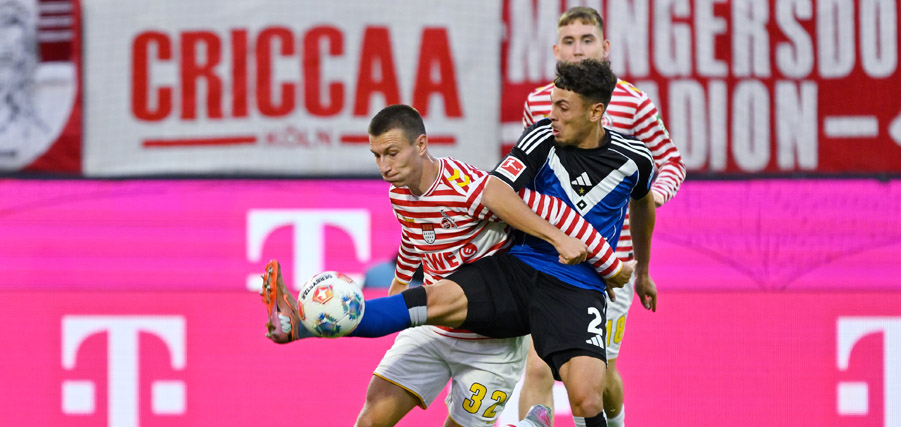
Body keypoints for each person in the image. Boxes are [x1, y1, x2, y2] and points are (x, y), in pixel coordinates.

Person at [264, 59, 654, 427]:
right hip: (499, 282)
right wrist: (399, 285)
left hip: (559, 295)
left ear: (596, 111)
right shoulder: (536, 139)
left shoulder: (634, 160)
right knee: (376, 407)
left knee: (588, 398)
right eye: (377, 155)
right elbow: (476, 203)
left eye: (563, 107)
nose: (551, 113)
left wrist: (632, 268)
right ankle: (302, 323)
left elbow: (630, 204)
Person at [354, 104, 631, 427]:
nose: (384, 166)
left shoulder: (472, 189)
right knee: (371, 421)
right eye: (377, 156)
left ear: (421, 144)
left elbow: (556, 211)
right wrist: (401, 281)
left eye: (391, 153)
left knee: (593, 382)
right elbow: (415, 231)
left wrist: (610, 266)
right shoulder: (399, 193)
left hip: (490, 343)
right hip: (434, 328)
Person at [517, 7, 685, 426]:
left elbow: (670, 162)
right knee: (537, 366)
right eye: (569, 42)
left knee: (600, 376)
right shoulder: (539, 102)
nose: (578, 49)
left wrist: (650, 197)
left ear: (605, 47)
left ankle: (615, 420)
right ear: (556, 50)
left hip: (613, 263)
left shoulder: (633, 102)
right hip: (553, 255)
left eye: (587, 40)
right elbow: (529, 173)